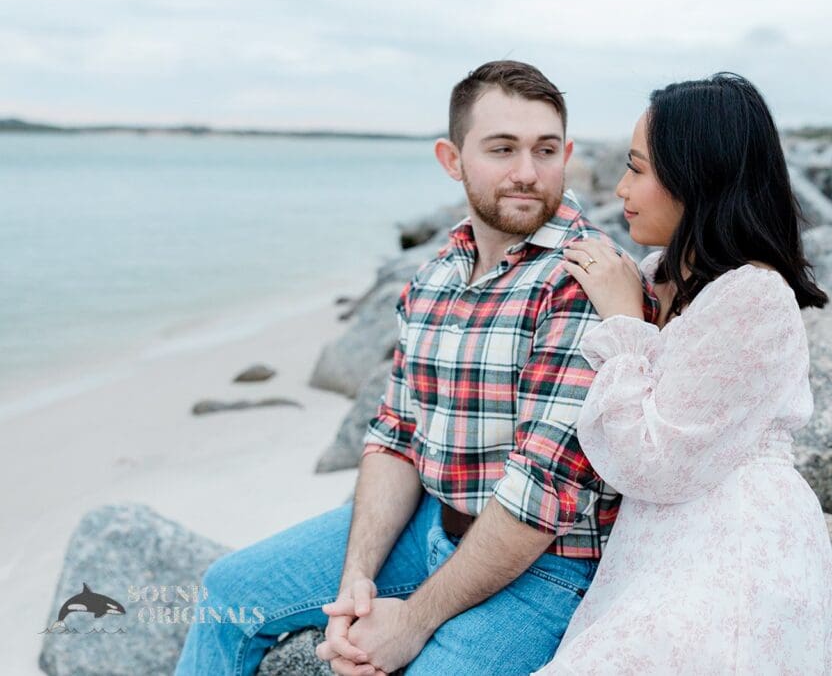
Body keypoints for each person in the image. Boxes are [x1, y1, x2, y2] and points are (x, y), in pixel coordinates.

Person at [173, 60, 657, 676]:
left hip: (548, 568)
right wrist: (356, 582)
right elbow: (396, 434)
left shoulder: (584, 279)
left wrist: (410, 620)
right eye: (502, 149)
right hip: (432, 522)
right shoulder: (436, 275)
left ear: (569, 153)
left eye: (546, 149)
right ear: (452, 160)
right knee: (227, 592)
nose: (528, 173)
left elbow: (543, 494)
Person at [536, 74, 832, 674]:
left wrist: (621, 323)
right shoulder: (667, 281)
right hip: (669, 544)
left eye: (637, 169)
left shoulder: (753, 295)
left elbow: (651, 461)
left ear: (698, 175)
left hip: (735, 547)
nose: (620, 188)